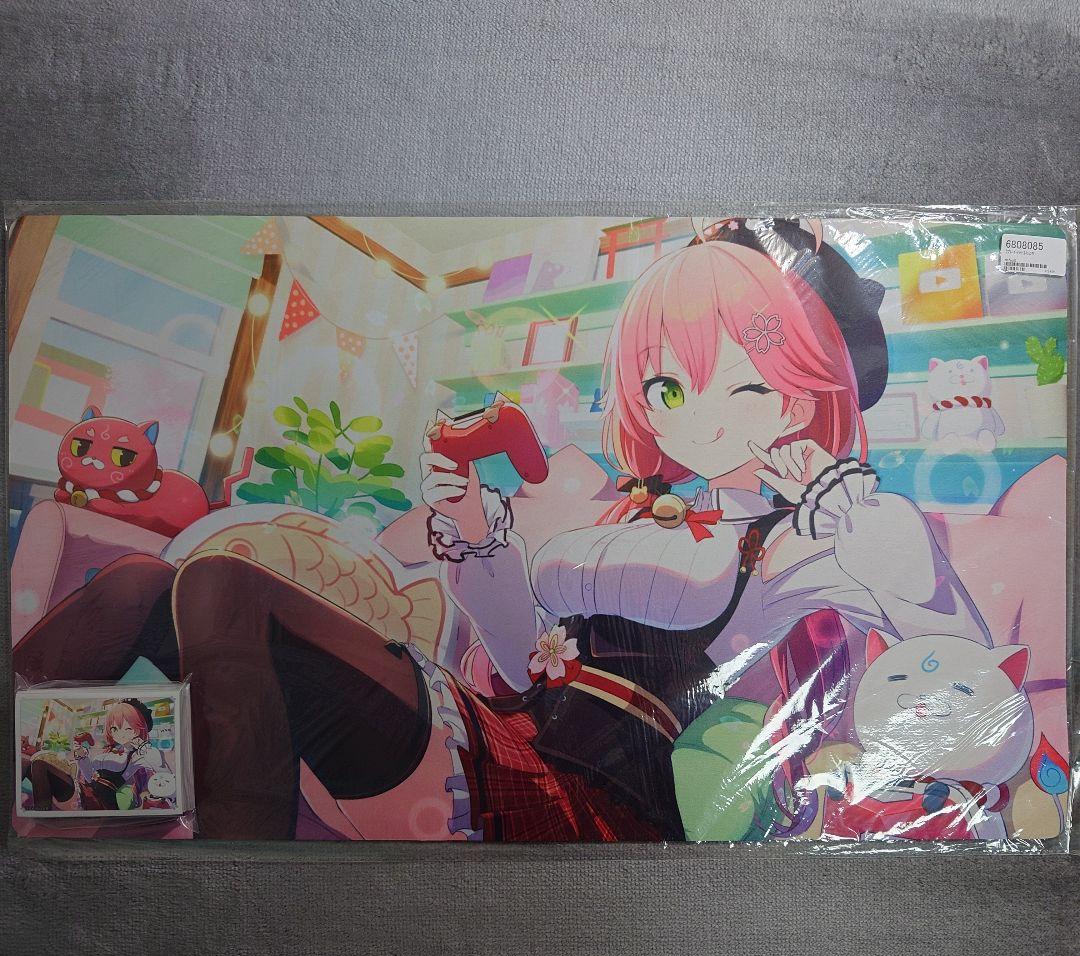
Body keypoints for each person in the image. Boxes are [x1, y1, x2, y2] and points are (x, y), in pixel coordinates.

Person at [12, 220, 989, 841]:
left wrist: (863, 520)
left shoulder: (810, 539)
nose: (694, 414)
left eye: (741, 381)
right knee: (145, 585)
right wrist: (475, 528)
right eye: (667, 385)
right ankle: (64, 792)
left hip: (588, 805)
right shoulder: (634, 513)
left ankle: (234, 923)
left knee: (221, 585)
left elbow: (970, 679)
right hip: (503, 731)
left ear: (807, 389)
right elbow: (525, 660)